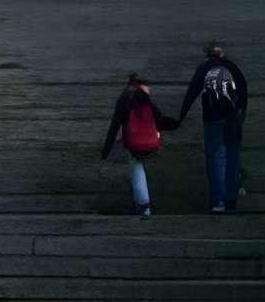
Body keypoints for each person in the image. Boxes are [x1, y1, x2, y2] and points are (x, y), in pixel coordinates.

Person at [178, 40, 248, 213]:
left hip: (213, 116)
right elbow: (243, 89)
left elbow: (192, 91)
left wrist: (181, 117)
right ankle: (231, 200)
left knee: (216, 157)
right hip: (233, 115)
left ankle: (219, 201)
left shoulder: (205, 67)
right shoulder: (232, 66)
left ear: (207, 54)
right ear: (222, 53)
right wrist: (241, 115)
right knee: (233, 155)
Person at [100, 72, 179, 216]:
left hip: (134, 143)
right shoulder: (145, 97)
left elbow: (115, 125)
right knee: (141, 164)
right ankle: (143, 201)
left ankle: (143, 205)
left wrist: (106, 151)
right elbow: (158, 119)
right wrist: (174, 123)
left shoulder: (125, 96)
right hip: (151, 143)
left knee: (136, 166)